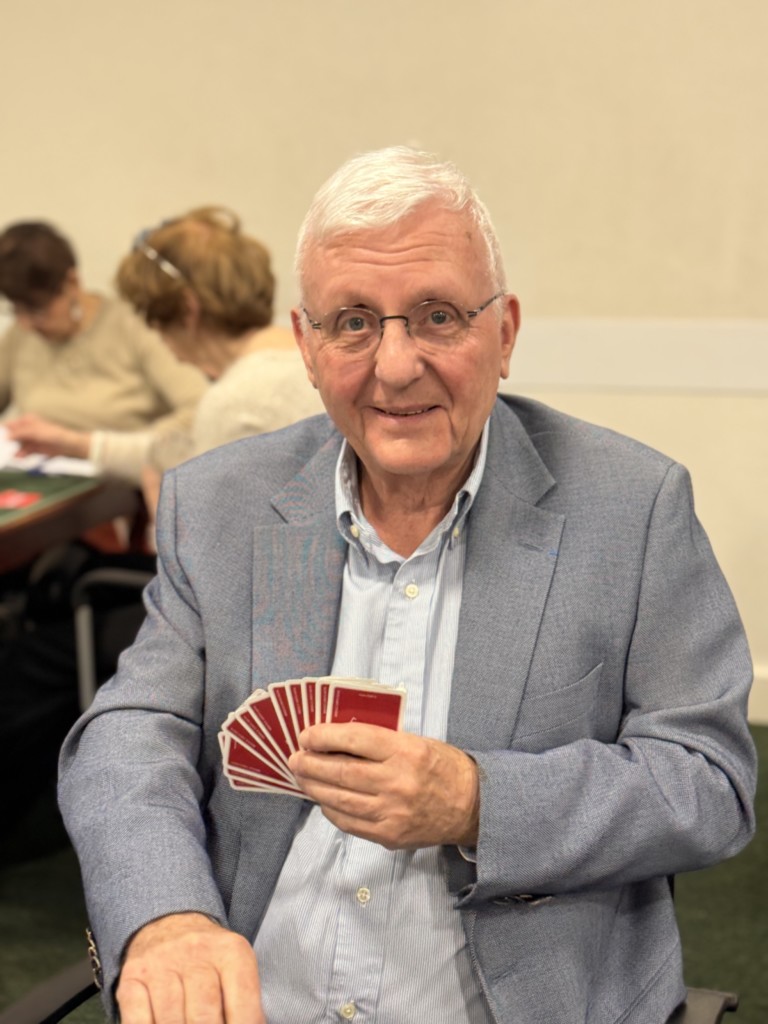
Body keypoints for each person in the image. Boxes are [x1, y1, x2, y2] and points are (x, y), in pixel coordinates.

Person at [58, 147, 756, 1024]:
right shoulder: (223, 503)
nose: (394, 366)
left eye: (437, 317)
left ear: (505, 333)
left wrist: (477, 801)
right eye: (353, 322)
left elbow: (709, 782)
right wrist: (169, 917)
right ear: (307, 346)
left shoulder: (631, 509)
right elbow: (130, 733)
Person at [113, 206, 324, 515]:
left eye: (155, 321)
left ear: (188, 310)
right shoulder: (309, 351)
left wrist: (160, 508)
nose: (160, 340)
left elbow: (212, 542)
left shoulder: (232, 403)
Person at [0, 221, 206, 484]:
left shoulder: (134, 326)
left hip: (123, 485)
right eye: (16, 310)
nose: (26, 323)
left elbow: (198, 411)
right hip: (40, 479)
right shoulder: (21, 335)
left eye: (37, 310)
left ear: (72, 282)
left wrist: (92, 446)